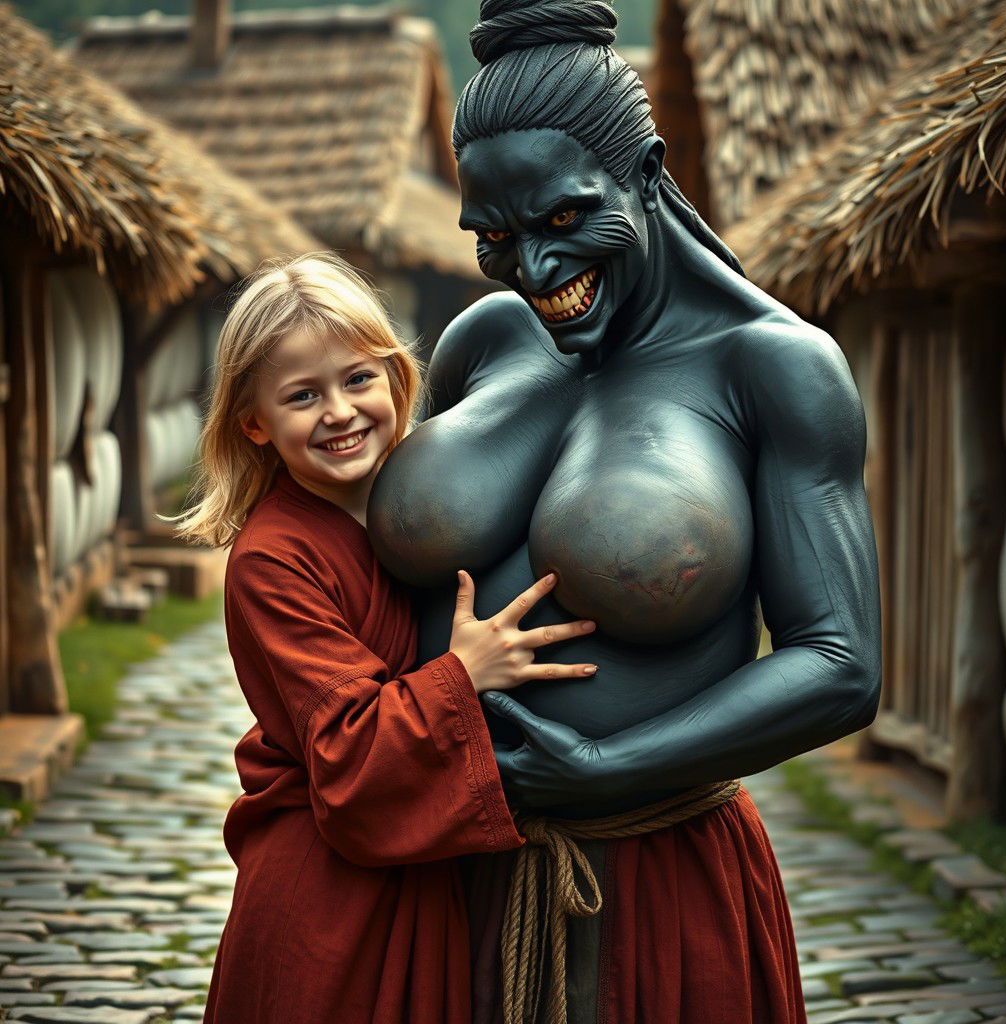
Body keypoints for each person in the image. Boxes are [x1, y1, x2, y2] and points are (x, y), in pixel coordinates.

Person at [366, 2, 883, 1022]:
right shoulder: (483, 343)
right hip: (439, 884)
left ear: (645, 172)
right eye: (496, 238)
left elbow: (839, 663)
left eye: (564, 221)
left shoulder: (771, 368)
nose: (537, 270)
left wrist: (601, 768)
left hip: (653, 893)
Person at [175, 253, 599, 1024]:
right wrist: (461, 675)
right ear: (254, 424)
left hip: (433, 868)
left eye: (358, 379)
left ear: (399, 380)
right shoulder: (274, 560)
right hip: (332, 898)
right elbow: (347, 747)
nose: (339, 411)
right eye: (303, 396)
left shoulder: (437, 497)